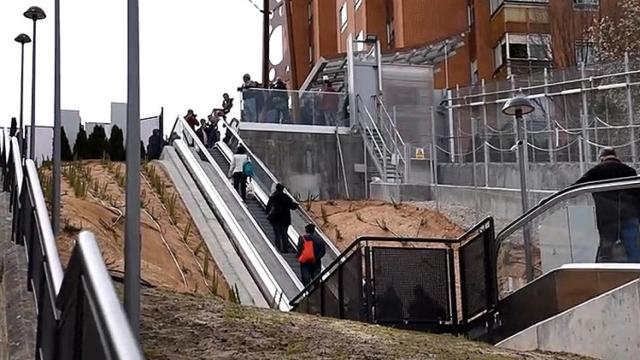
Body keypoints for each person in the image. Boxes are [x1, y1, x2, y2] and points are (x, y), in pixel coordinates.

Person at [575, 147, 640, 262]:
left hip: (607, 219)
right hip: (630, 216)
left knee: (606, 250)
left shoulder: (596, 171)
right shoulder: (629, 171)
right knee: (633, 248)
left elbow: (575, 188)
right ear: (616, 157)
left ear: (601, 158)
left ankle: (602, 276)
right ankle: (635, 274)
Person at [266, 183, 299, 253]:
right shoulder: (286, 197)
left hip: (275, 218)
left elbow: (268, 206)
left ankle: (277, 248)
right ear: (283, 189)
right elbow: (292, 206)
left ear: (276, 188)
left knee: (277, 233)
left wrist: (267, 213)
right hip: (285, 219)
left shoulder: (273, 196)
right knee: (284, 233)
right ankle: (285, 249)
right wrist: (297, 205)